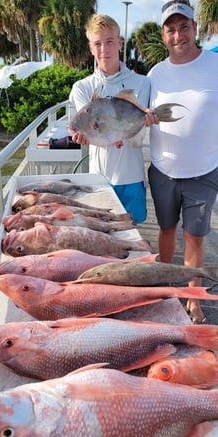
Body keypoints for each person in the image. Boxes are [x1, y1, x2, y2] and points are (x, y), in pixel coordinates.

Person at [147, 0, 218, 323]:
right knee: (165, 229)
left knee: (195, 236)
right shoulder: (154, 75)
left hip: (204, 170)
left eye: (184, 27)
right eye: (171, 29)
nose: (179, 35)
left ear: (195, 28)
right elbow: (137, 119)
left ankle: (193, 300)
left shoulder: (214, 66)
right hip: (163, 169)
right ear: (164, 35)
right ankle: (165, 287)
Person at [69, 14, 151, 224]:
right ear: (90, 47)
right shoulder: (82, 87)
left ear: (119, 43)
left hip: (131, 174)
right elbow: (89, 126)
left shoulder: (142, 82)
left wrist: (148, 118)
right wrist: (81, 136)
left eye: (109, 41)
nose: (104, 49)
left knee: (131, 236)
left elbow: (134, 125)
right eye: (97, 43)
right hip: (98, 177)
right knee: (100, 233)